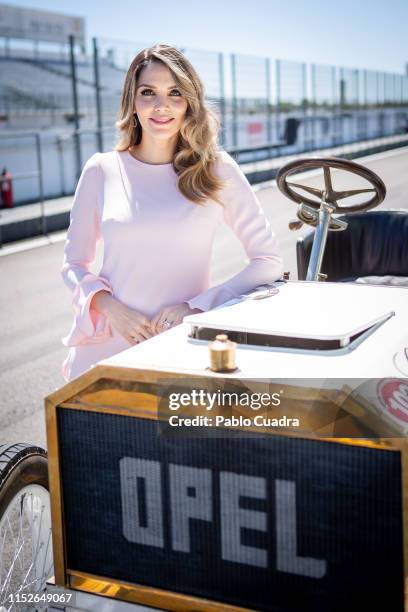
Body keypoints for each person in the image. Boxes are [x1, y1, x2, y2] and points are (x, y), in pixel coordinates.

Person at [61, 44, 283, 382]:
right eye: (148, 92)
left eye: (174, 93)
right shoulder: (101, 169)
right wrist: (109, 306)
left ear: (189, 103)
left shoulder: (217, 170)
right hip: (104, 352)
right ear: (132, 102)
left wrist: (197, 307)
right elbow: (74, 265)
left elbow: (267, 261)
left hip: (180, 347)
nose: (161, 106)